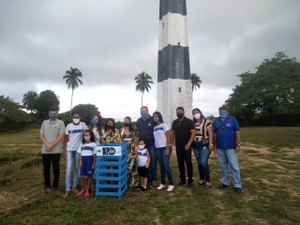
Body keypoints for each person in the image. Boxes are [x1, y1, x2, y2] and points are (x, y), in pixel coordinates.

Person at [213, 105, 242, 193]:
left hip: (231, 147)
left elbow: (237, 132)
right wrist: (214, 145)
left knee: (234, 166)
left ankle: (237, 184)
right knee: (223, 166)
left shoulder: (232, 119)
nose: (222, 112)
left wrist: (238, 144)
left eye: (224, 110)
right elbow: (215, 134)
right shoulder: (216, 120)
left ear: (227, 112)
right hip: (220, 147)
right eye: (221, 110)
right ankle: (225, 182)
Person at [39, 106, 65, 193]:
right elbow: (41, 135)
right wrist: (47, 145)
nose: (52, 115)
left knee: (56, 168)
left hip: (56, 150)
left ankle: (55, 185)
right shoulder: (44, 122)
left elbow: (61, 136)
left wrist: (52, 145)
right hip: (45, 150)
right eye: (51, 113)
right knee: (46, 168)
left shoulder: (61, 123)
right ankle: (47, 185)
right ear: (48, 113)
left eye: (54, 113)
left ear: (57, 113)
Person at [63, 112, 87, 197]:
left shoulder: (83, 125)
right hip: (69, 149)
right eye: (74, 117)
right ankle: (67, 188)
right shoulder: (69, 126)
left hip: (78, 150)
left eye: (77, 117)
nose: (76, 118)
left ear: (80, 117)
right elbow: (65, 138)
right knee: (69, 168)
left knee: (77, 167)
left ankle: (74, 186)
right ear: (72, 117)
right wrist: (64, 150)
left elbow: (88, 133)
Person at [171, 106, 195, 186]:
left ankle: (190, 180)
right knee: (180, 163)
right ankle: (183, 179)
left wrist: (188, 144)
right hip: (178, 146)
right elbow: (173, 134)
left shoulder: (189, 121)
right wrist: (171, 144)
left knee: (188, 163)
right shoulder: (174, 122)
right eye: (177, 112)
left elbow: (193, 133)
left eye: (180, 111)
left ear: (183, 112)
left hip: (187, 146)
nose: (179, 113)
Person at [192, 108, 214, 188]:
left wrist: (211, 143)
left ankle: (207, 180)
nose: (196, 114)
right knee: (199, 163)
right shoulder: (193, 123)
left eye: (197, 112)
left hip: (205, 144)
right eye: (194, 113)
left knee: (204, 162)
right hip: (195, 145)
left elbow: (211, 133)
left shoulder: (207, 121)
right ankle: (202, 178)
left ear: (200, 112)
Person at [153, 111, 174, 192]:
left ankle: (171, 183)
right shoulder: (154, 127)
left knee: (166, 166)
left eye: (156, 116)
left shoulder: (164, 125)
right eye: (154, 116)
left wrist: (168, 148)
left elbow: (168, 136)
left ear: (159, 116)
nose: (155, 117)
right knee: (161, 167)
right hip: (158, 148)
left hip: (165, 147)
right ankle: (163, 183)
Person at [136, 106, 157, 187]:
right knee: (143, 161)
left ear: (148, 111)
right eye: (141, 111)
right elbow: (136, 131)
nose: (143, 113)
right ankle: (146, 178)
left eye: (144, 111)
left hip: (151, 143)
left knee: (152, 161)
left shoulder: (152, 120)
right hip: (142, 146)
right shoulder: (139, 120)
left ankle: (153, 179)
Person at [76, 129, 97, 197]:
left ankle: (87, 190)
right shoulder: (82, 144)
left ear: (91, 136)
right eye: (84, 135)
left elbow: (94, 155)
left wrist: (93, 163)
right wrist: (80, 161)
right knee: (81, 176)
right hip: (83, 160)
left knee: (89, 176)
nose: (85, 137)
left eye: (87, 135)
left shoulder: (93, 144)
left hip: (90, 160)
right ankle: (83, 189)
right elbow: (80, 153)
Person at [120, 116, 137, 186]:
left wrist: (136, 150)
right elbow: (119, 140)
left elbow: (136, 140)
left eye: (128, 120)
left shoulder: (133, 130)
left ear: (130, 122)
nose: (126, 122)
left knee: (133, 166)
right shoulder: (120, 130)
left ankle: (133, 181)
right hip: (123, 150)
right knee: (124, 165)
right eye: (125, 120)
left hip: (132, 149)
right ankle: (125, 181)